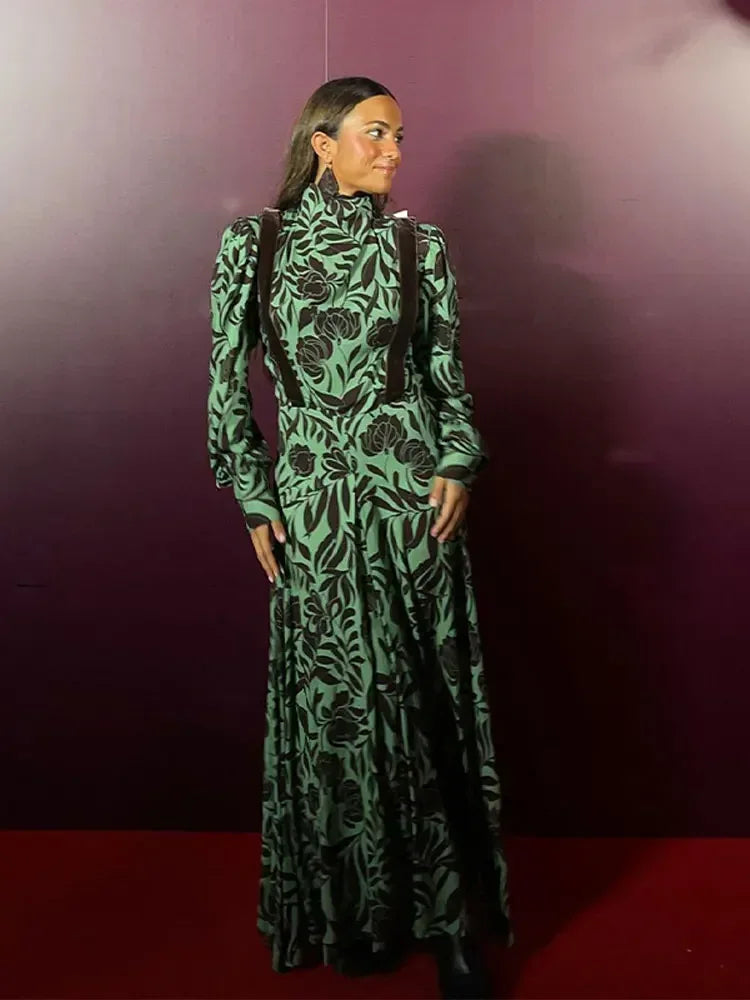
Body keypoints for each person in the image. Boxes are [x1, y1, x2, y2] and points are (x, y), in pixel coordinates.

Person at [207, 76, 512, 998]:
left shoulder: (421, 247)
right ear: (322, 142)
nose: (394, 152)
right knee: (338, 708)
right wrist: (254, 496)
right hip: (313, 508)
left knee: (424, 704)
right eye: (377, 133)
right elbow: (226, 383)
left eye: (401, 137)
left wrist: (457, 459)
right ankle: (354, 915)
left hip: (411, 502)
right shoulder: (253, 245)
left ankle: (452, 928)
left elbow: (448, 381)